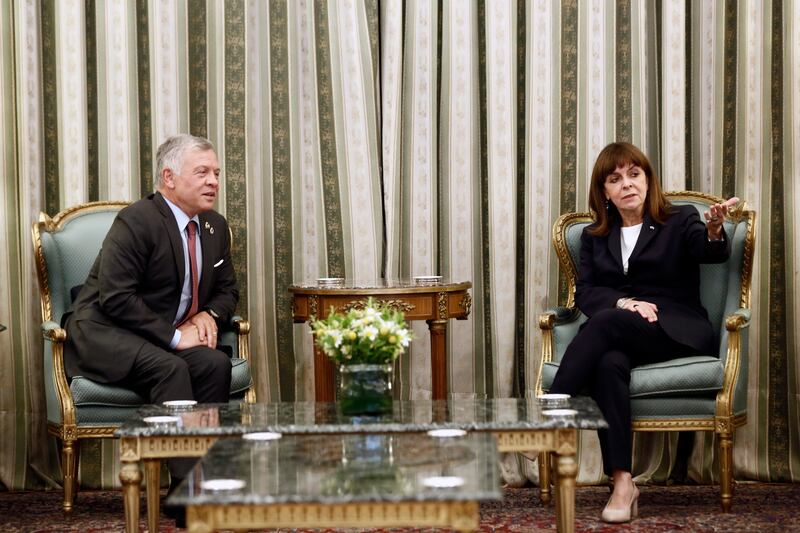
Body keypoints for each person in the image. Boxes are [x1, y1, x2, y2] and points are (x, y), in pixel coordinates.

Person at [548, 142, 738, 523]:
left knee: (603, 322)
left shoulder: (680, 219)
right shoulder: (594, 236)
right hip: (623, 333)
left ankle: (553, 403)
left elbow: (710, 252)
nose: (627, 184)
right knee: (607, 363)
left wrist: (714, 228)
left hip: (677, 329)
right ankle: (623, 482)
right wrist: (625, 303)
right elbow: (585, 292)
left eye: (634, 174)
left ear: (648, 180)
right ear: (604, 191)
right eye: (615, 179)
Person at [63, 134, 238, 525]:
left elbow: (228, 291)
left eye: (216, 173)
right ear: (169, 177)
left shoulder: (214, 226)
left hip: (153, 335)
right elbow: (116, 298)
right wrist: (177, 337)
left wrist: (209, 314)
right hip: (104, 330)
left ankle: (188, 489)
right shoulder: (138, 220)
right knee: (171, 367)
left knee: (214, 364)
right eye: (203, 172)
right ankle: (190, 489)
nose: (213, 181)